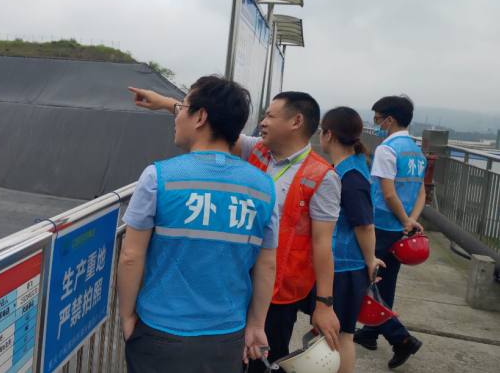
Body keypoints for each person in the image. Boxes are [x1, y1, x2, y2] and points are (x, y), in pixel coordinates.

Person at [129, 87, 342, 373]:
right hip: (234, 285)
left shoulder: (323, 176)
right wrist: (167, 104)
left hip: (278, 294)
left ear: (296, 122)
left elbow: (322, 243)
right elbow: (214, 128)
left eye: (270, 116)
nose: (263, 122)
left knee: (260, 362)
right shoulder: (258, 150)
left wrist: (324, 303)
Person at [117, 75, 280, 372]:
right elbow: (267, 265)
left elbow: (131, 256)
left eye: (182, 108)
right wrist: (255, 324)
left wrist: (127, 316)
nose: (177, 116)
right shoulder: (264, 187)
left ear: (200, 117)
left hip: (159, 330)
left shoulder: (158, 177)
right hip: (227, 335)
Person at [354, 95, 426, 369]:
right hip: (400, 230)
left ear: (389, 119)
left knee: (364, 280)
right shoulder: (415, 150)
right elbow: (421, 192)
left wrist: (404, 218)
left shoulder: (387, 149)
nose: (376, 125)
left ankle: (401, 339)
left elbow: (388, 193)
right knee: (385, 283)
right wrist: (410, 221)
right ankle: (371, 333)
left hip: (381, 226)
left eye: (376, 119)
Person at [311, 107, 386, 373]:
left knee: (340, 337)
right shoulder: (348, 167)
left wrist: (370, 260)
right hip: (341, 265)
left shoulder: (351, 176)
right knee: (331, 335)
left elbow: (365, 225)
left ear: (328, 134)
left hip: (345, 267)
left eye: (321, 130)